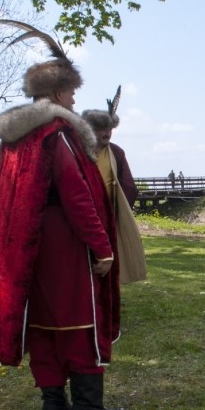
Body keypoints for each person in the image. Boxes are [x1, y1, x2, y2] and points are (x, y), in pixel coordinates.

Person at [0, 21, 128, 410]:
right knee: (77, 320)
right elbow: (76, 196)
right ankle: (87, 406)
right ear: (56, 93)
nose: (74, 99)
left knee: (42, 324)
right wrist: (101, 246)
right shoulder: (58, 135)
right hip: (64, 244)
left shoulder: (16, 139)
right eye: (71, 91)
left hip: (28, 245)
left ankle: (53, 404)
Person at [82, 86, 147, 285]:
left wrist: (116, 212)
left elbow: (128, 186)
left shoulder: (116, 153)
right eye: (102, 128)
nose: (107, 133)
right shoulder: (78, 150)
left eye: (109, 129)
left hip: (107, 215)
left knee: (107, 265)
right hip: (82, 213)